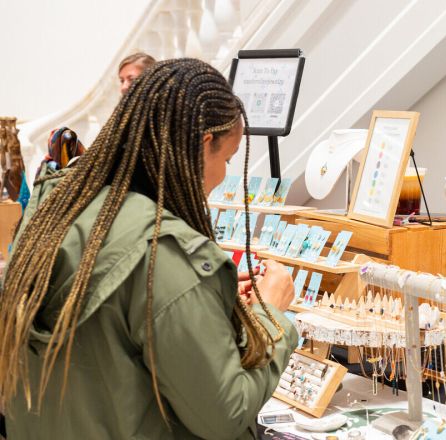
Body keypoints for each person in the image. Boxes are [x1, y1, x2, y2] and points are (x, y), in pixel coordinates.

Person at [0, 58, 298, 439]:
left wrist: (201, 300)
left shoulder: (55, 207)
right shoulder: (164, 254)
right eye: (226, 158)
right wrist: (271, 315)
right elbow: (225, 412)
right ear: (203, 145)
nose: (224, 174)